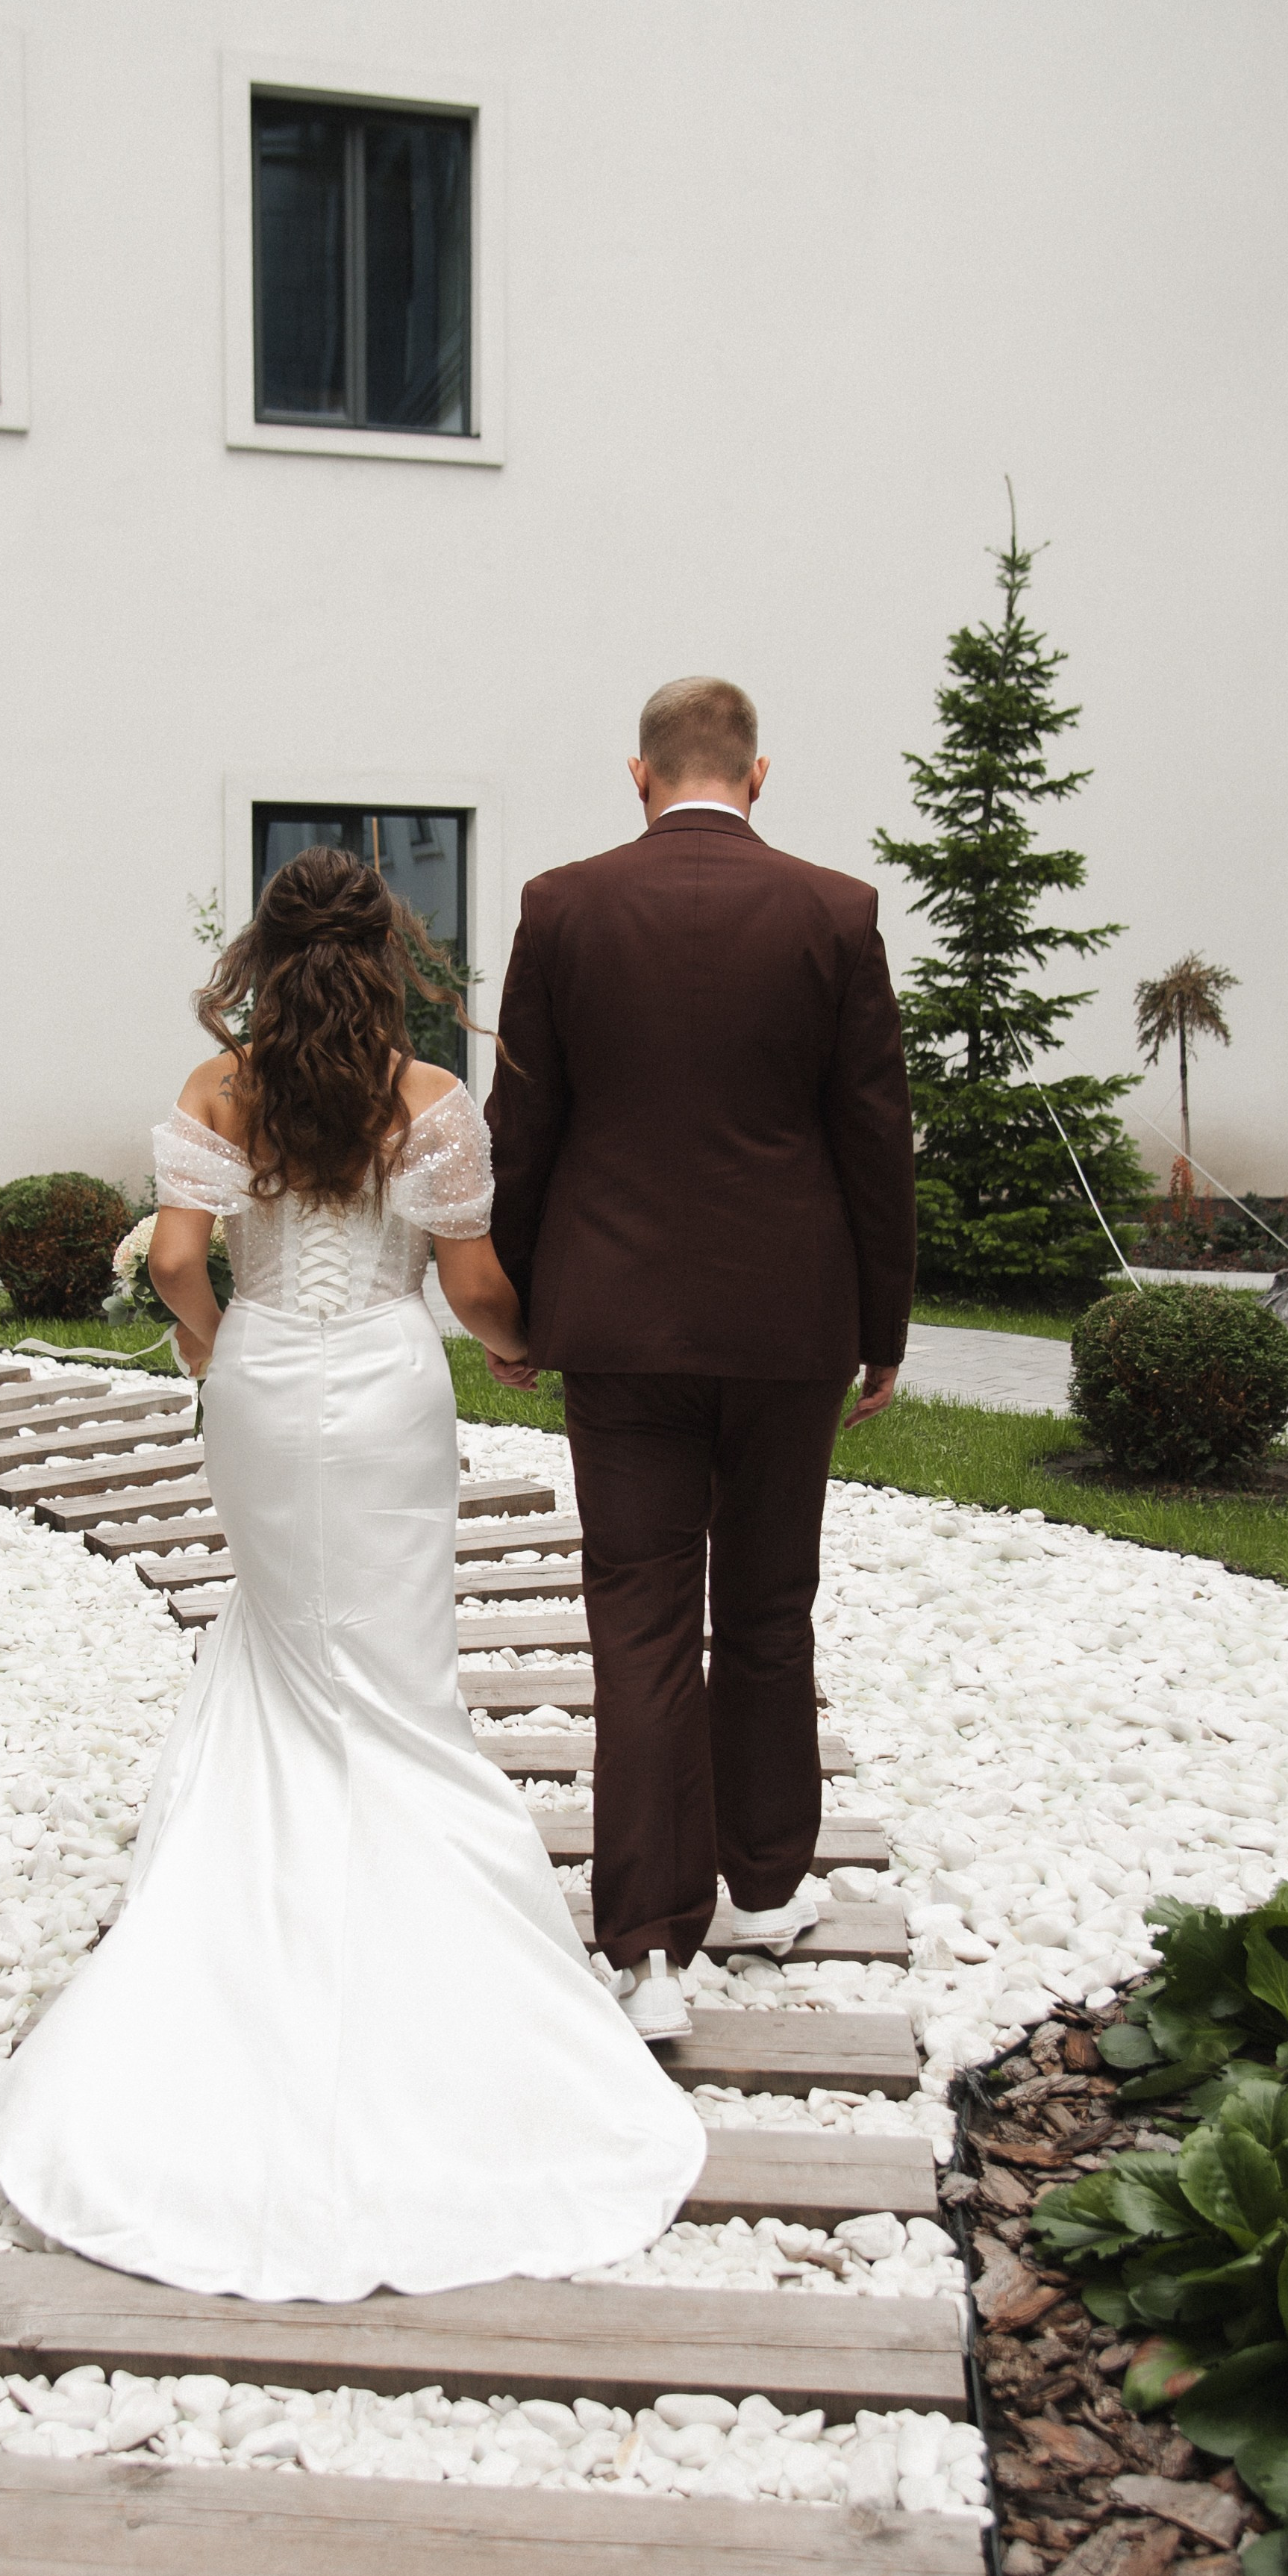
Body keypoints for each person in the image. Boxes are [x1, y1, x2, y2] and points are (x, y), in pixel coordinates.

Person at [0, 846, 704, 2300]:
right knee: (393, 1667)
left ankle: (255, 1912)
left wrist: (213, 1347)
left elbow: (182, 1262)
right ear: (387, 956)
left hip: (263, 1389)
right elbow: (476, 1284)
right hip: (385, 1390)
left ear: (267, 949)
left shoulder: (219, 1089)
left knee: (279, 1636)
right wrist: (515, 1343)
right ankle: (425, 1936)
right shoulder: (426, 1098)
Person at [485, 678, 916, 2042]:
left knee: (642, 1619)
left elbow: (524, 1124)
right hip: (791, 1325)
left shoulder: (561, 906)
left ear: (638, 775)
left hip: (615, 1324)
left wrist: (519, 1307)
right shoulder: (835, 912)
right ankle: (772, 1887)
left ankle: (651, 1950)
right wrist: (884, 1330)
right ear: (759, 774)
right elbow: (872, 1138)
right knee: (772, 1604)